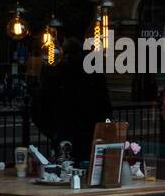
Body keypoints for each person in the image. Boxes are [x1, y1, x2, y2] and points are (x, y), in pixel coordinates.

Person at [30, 37, 111, 165]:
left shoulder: (57, 73)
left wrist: (53, 133)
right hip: (83, 133)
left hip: (69, 131)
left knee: (66, 165)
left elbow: (39, 106)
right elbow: (104, 106)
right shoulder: (89, 73)